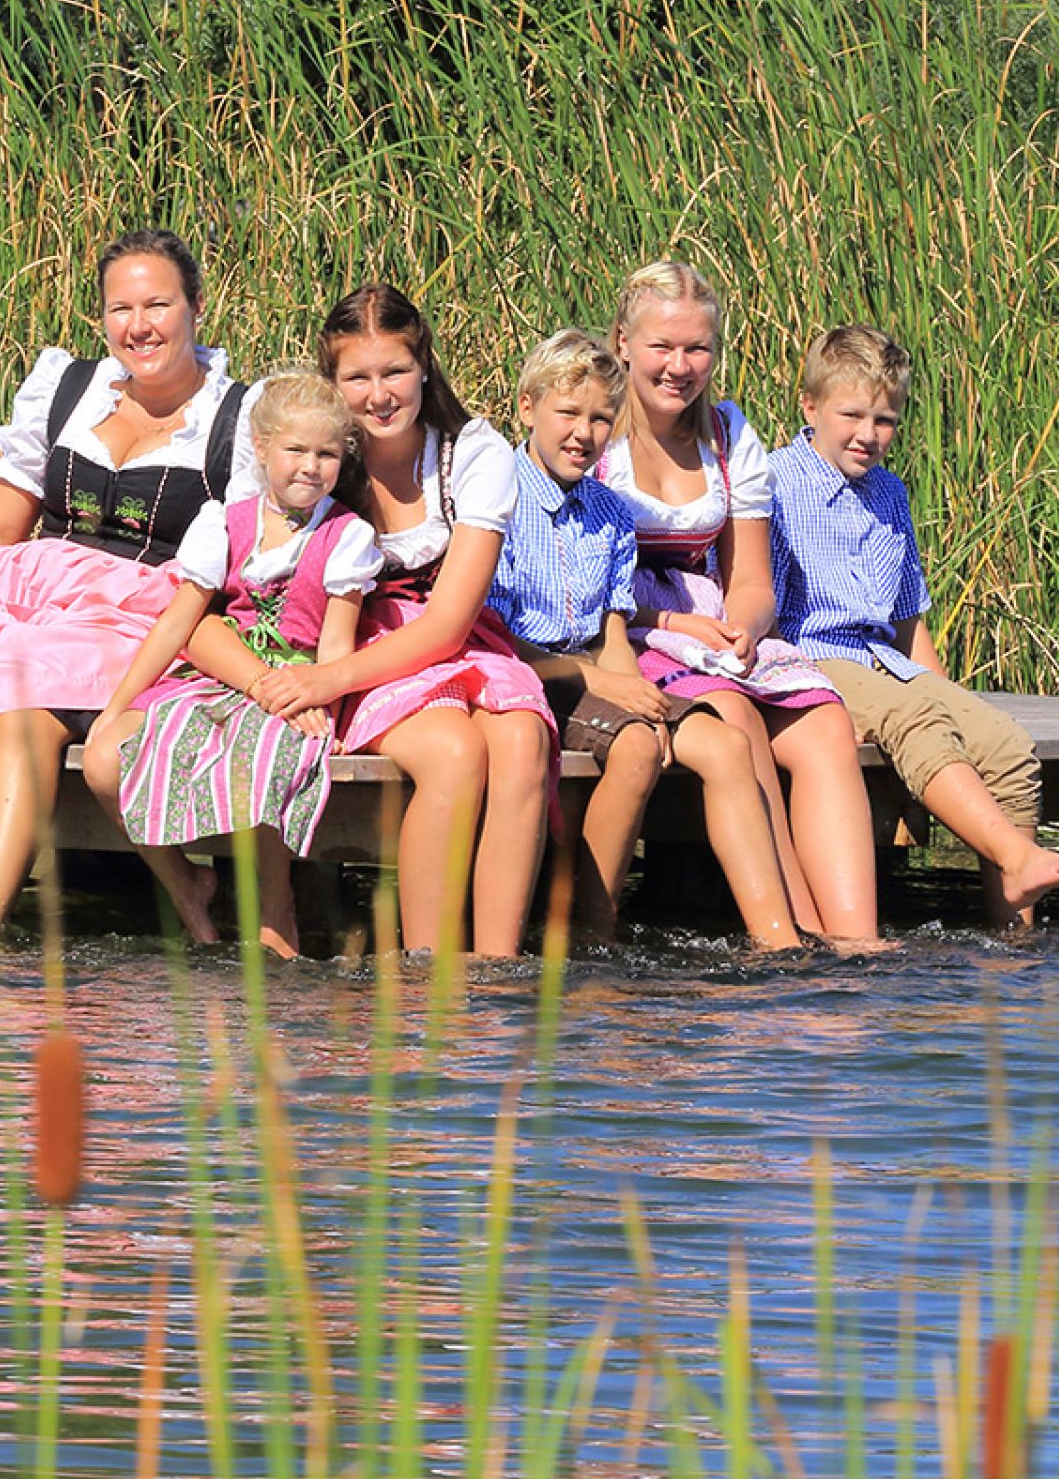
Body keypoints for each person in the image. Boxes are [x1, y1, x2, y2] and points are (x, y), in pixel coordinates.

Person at [0, 228, 255, 946]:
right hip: (22, 608)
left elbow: (241, 562)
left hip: (139, 618)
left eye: (158, 304)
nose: (139, 325)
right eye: (121, 308)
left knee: (20, 724)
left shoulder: (236, 418)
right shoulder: (66, 389)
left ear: (196, 307)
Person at [245, 286, 553, 960]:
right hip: (355, 640)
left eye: (395, 373)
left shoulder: (469, 453)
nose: (378, 394)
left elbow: (449, 621)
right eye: (357, 377)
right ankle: (426, 968)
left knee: (524, 739)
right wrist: (323, 677)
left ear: (424, 368)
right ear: (333, 381)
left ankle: (495, 967)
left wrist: (333, 678)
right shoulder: (318, 455)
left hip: (448, 637)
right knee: (454, 751)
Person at [770, 325, 1059, 926]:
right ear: (810, 405)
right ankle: (1016, 856)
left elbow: (907, 618)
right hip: (811, 658)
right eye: (851, 415)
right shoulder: (777, 485)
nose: (867, 435)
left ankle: (1015, 940)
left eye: (885, 420)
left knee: (1005, 742)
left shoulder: (889, 494)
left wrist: (951, 696)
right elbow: (766, 611)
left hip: (885, 661)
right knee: (914, 718)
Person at [489, 332, 800, 949]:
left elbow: (612, 630)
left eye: (601, 418)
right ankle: (589, 930)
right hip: (525, 674)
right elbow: (498, 640)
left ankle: (778, 938)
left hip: (595, 677)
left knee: (727, 744)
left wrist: (632, 688)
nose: (584, 432)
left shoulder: (608, 511)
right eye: (568, 414)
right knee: (634, 748)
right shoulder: (501, 496)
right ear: (527, 408)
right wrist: (605, 686)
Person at [600, 261, 881, 942]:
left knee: (824, 724)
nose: (679, 365)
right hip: (625, 627)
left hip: (713, 626)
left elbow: (753, 580)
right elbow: (577, 578)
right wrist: (673, 625)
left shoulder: (726, 435)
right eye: (662, 346)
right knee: (733, 714)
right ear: (623, 345)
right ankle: (795, 931)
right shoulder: (595, 432)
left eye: (697, 348)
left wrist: (744, 630)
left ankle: (858, 936)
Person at [84, 369, 382, 956]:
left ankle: (277, 906)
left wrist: (331, 710)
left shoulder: (346, 535)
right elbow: (178, 620)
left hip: (294, 686)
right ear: (264, 449)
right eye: (295, 450)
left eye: (326, 454)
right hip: (222, 676)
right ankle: (184, 884)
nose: (310, 466)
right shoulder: (226, 520)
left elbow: (336, 643)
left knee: (262, 751)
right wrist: (115, 705)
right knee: (101, 759)